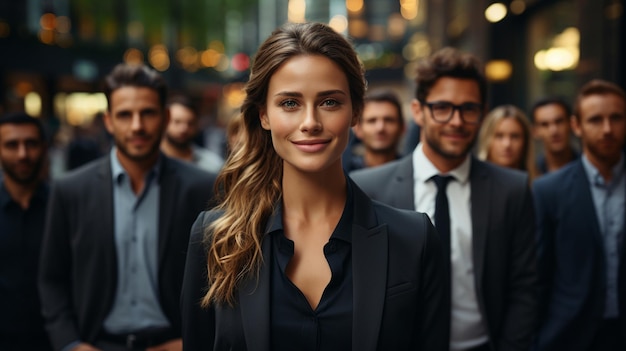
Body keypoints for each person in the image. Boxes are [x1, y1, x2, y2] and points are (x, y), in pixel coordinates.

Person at [180, 22, 447, 351]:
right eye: (290, 103)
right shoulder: (214, 239)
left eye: (330, 102)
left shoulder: (414, 239)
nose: (310, 123)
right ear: (264, 114)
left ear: (355, 112)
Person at [351, 47, 538, 351]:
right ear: (417, 111)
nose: (456, 121)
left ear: (482, 112)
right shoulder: (368, 188)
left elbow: (524, 287)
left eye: (468, 108)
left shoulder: (511, 189)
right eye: (442, 107)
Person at [39, 63, 217, 351]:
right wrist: (70, 344)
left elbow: (221, 279)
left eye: (147, 113)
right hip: (97, 344)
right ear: (109, 121)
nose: (137, 125)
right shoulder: (70, 190)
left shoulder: (203, 188)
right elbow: (51, 279)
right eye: (125, 115)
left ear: (165, 117)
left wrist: (193, 341)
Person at [532, 79, 626, 351]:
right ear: (577, 126)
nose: (607, 129)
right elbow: (539, 276)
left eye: (616, 118)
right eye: (596, 120)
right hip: (569, 336)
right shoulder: (548, 190)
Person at [0, 112, 52, 351]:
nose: (23, 154)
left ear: (44, 148)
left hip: (57, 342)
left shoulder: (64, 207)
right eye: (12, 145)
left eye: (30, 144)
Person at [161, 95, 224, 173]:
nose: (183, 129)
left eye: (190, 123)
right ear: (164, 122)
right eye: (177, 122)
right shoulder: (149, 161)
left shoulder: (212, 165)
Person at [347, 89, 405, 171]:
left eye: (388, 120)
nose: (380, 128)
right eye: (372, 121)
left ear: (402, 127)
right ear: (358, 129)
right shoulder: (344, 176)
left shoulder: (415, 172)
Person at [477, 104, 539, 181]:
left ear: (525, 141)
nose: (507, 144)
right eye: (499, 136)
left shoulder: (539, 186)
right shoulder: (471, 183)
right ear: (486, 139)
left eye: (515, 136)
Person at [530, 96, 578, 174]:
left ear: (571, 124)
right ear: (535, 131)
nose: (553, 131)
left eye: (559, 121)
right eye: (544, 125)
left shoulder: (589, 167)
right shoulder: (530, 172)